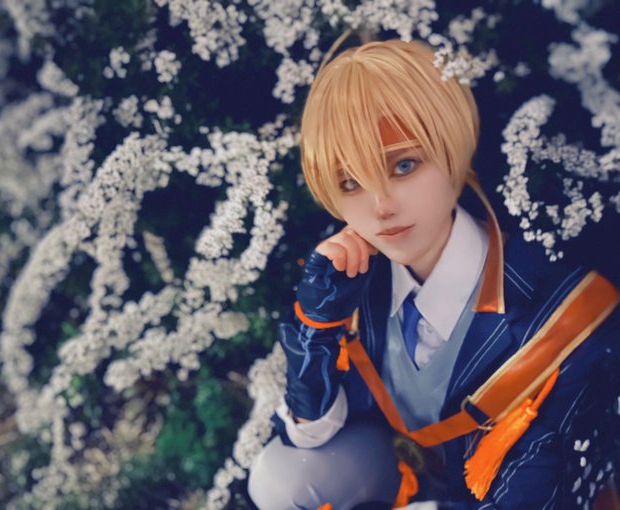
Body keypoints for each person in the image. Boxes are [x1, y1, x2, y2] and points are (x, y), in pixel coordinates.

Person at [247, 38, 619, 509]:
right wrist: (316, 328)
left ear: (454, 148)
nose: (381, 206)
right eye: (351, 182)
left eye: (404, 165)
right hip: (398, 476)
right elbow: (309, 434)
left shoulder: (561, 312)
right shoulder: (355, 279)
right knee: (281, 479)